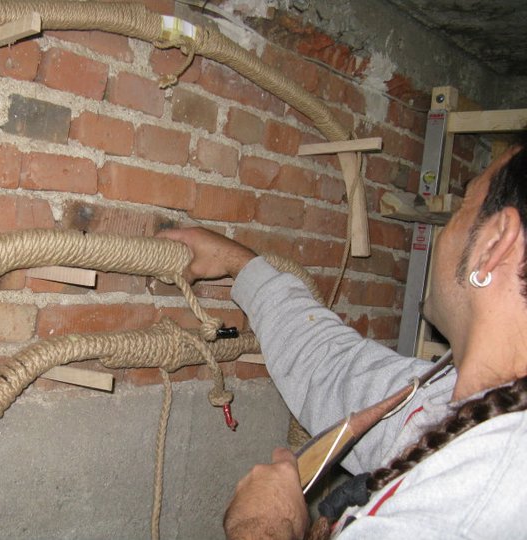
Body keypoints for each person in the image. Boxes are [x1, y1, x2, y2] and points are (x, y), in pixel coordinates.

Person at [157, 141, 527, 539]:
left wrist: (262, 525)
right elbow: (333, 370)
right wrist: (240, 264)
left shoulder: (472, 505)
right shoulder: (459, 398)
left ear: (494, 244)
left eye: (462, 208)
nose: (447, 229)